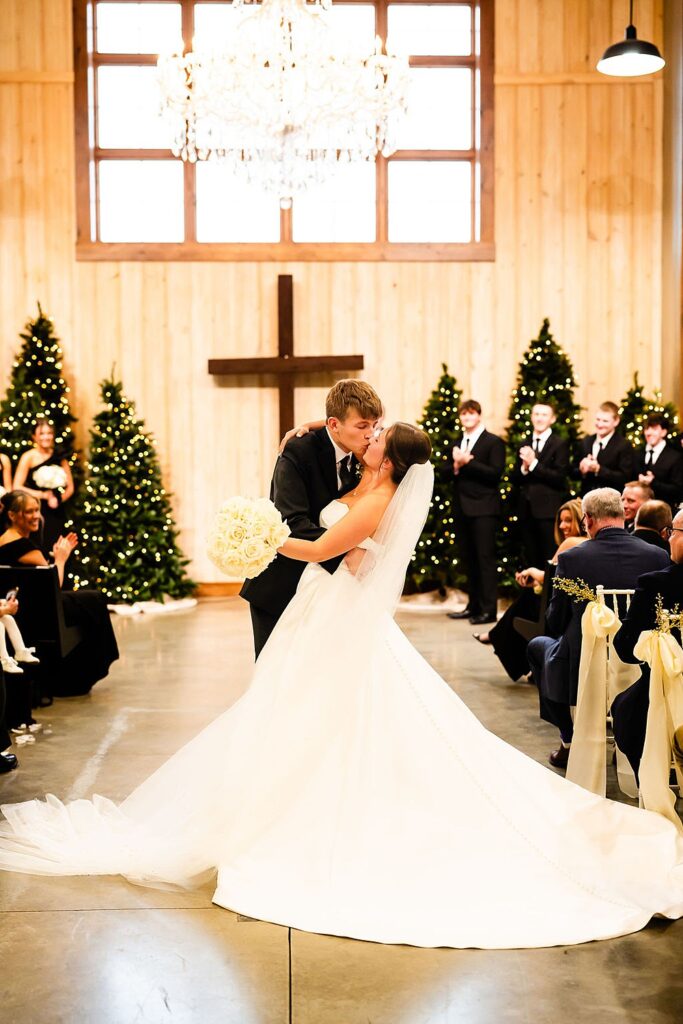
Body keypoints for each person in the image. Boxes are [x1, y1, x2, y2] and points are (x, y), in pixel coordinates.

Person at [2, 428, 683, 950]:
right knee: (296, 718)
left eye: (376, 440)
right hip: (324, 615)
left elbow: (323, 550)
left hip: (337, 618)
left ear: (391, 460)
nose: (368, 441)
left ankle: (318, 816)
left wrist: (261, 538)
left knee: (328, 720)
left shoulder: (382, 497)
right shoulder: (367, 484)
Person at [527, 488, 669, 769]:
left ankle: (569, 739)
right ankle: (629, 732)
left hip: (583, 661)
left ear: (588, 520)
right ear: (621, 516)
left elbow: (554, 620)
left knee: (537, 646)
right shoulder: (657, 556)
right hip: (641, 657)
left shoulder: (572, 559)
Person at [240, 379, 383, 659]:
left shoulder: (366, 452)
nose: (371, 435)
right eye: (362, 426)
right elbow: (290, 523)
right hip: (281, 585)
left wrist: (315, 422)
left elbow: (403, 438)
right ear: (334, 425)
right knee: (276, 674)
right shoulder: (298, 451)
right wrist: (347, 550)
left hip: (327, 591)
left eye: (374, 425)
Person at [0, 491, 119, 697]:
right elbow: (53, 584)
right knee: (95, 601)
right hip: (41, 610)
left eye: (37, 510)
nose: (36, 515)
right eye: (29, 511)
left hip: (28, 605)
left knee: (89, 600)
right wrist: (62, 559)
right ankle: (81, 672)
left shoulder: (3, 539)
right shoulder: (24, 546)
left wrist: (54, 560)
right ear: (12, 515)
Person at [475, 499, 586, 682]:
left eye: (568, 520)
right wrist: (536, 582)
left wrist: (532, 573)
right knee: (531, 597)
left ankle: (496, 637)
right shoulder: (588, 542)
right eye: (560, 520)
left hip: (562, 610)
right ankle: (497, 638)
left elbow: (551, 575)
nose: (562, 526)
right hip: (570, 602)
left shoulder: (572, 542)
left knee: (529, 602)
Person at [611, 506, 683, 777]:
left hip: (663, 690)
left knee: (624, 710)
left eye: (673, 532)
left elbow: (625, 648)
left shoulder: (656, 584)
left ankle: (657, 778)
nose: (668, 538)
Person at [447, 400, 505, 625]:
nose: (467, 418)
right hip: (461, 507)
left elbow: (495, 473)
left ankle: (489, 610)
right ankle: (473, 606)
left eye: (471, 414)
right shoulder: (457, 442)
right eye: (463, 414)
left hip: (484, 508)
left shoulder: (494, 442)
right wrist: (455, 466)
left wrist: (467, 462)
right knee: (468, 559)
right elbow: (444, 470)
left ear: (479, 416)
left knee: (485, 559)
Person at [511, 401, 570, 566]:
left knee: (549, 557)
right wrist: (524, 468)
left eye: (544, 415)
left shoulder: (560, 444)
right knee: (530, 557)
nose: (539, 418)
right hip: (525, 510)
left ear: (552, 419)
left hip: (547, 510)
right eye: (536, 414)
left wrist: (534, 464)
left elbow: (559, 477)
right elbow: (515, 478)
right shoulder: (524, 443)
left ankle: (548, 592)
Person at [13, 419, 75, 559]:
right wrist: (43, 495)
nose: (46, 437)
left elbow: (70, 487)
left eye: (49, 433)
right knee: (41, 547)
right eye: (42, 433)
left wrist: (58, 500)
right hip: (36, 511)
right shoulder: (28, 457)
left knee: (59, 547)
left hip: (57, 511)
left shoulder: (59, 457)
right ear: (34, 436)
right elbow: (16, 486)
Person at [575, 402, 634, 496]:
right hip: (586, 497)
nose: (600, 424)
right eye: (598, 419)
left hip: (610, 500)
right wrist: (581, 470)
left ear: (616, 421)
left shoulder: (624, 445)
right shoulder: (586, 442)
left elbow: (625, 478)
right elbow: (572, 472)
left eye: (605, 421)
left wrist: (599, 469)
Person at [636, 414, 683, 510]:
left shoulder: (675, 457)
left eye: (654, 429)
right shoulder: (638, 453)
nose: (648, 433)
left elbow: (678, 490)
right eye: (647, 429)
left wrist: (653, 483)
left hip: (664, 510)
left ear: (664, 432)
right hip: (640, 509)